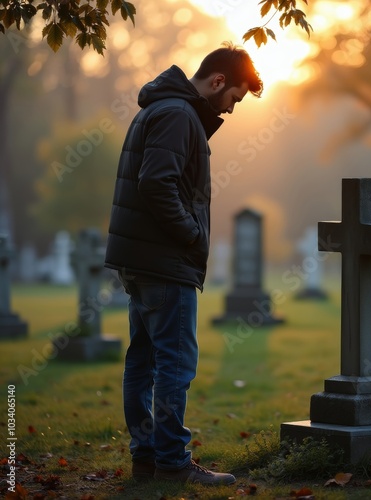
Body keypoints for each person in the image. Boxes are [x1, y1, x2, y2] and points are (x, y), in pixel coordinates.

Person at [104, 42, 263, 485]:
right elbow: (157, 184)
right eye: (233, 98)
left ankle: (147, 459)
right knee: (173, 365)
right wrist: (192, 236)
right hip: (164, 261)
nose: (230, 111)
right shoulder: (177, 115)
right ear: (217, 82)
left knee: (143, 362)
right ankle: (172, 463)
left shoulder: (163, 108)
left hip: (141, 259)